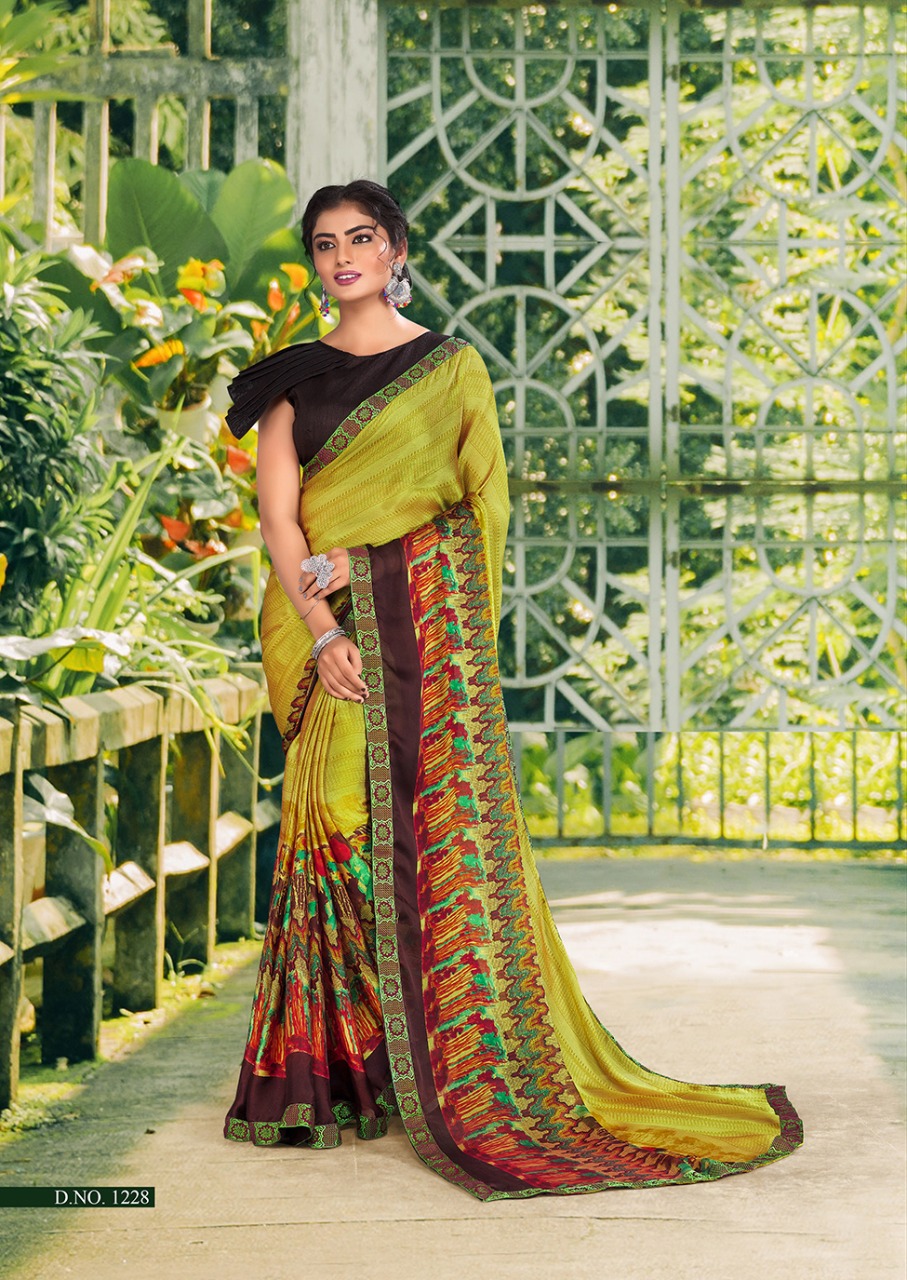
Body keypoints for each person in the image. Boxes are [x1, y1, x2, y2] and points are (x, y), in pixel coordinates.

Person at [221, 179, 804, 1201]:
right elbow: (280, 523)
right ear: (313, 260)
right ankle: (335, 1075)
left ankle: (429, 1067)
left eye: (362, 238)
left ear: (396, 250)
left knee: (411, 834)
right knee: (332, 823)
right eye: (325, 243)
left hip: (412, 634)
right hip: (325, 636)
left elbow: (476, 515)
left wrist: (371, 564)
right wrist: (324, 631)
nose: (343, 256)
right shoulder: (292, 379)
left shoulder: (450, 369)